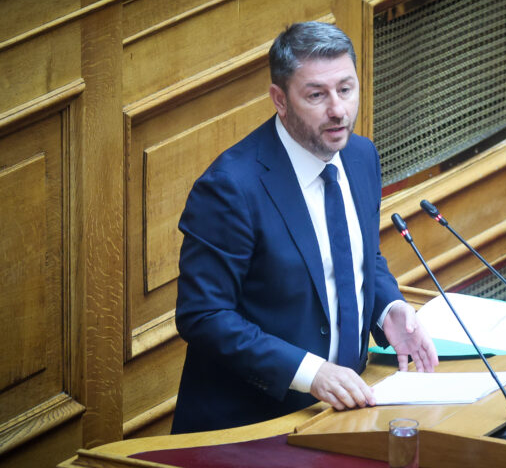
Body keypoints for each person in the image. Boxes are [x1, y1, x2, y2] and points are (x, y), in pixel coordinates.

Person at [171, 21, 438, 434]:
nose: (338, 110)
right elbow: (203, 315)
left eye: (346, 89)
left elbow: (360, 256)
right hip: (253, 425)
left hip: (347, 411)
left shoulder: (361, 156)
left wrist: (388, 309)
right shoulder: (231, 187)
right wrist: (309, 372)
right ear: (280, 99)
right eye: (317, 95)